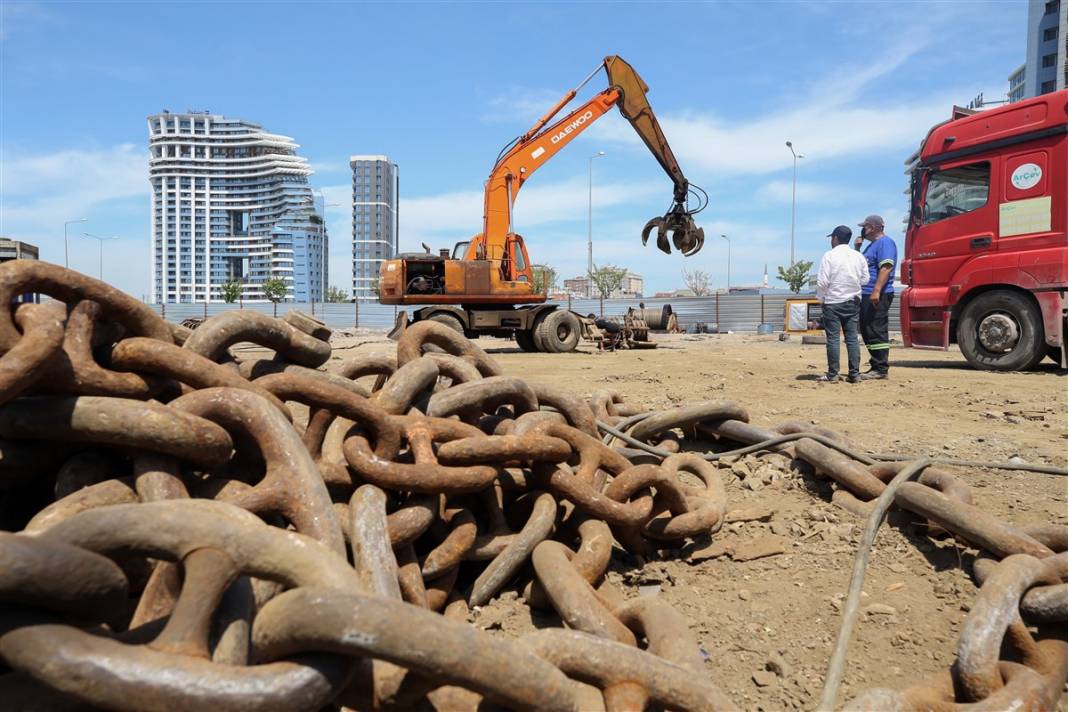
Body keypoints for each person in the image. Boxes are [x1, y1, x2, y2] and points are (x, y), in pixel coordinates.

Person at [815, 225, 869, 383]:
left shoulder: (829, 256)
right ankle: (854, 374)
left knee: (833, 339)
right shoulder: (858, 256)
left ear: (836, 238)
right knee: (852, 338)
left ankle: (833, 374)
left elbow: (823, 282)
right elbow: (865, 279)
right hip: (852, 302)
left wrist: (821, 299)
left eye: (832, 238)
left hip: (833, 302)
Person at [857, 214, 897, 379]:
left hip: (877, 294)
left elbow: (886, 267)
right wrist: (857, 249)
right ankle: (876, 364)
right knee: (867, 330)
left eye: (864, 227)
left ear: (872, 227)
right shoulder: (871, 246)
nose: (863, 230)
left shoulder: (885, 243)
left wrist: (876, 290)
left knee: (876, 329)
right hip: (866, 293)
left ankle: (880, 368)